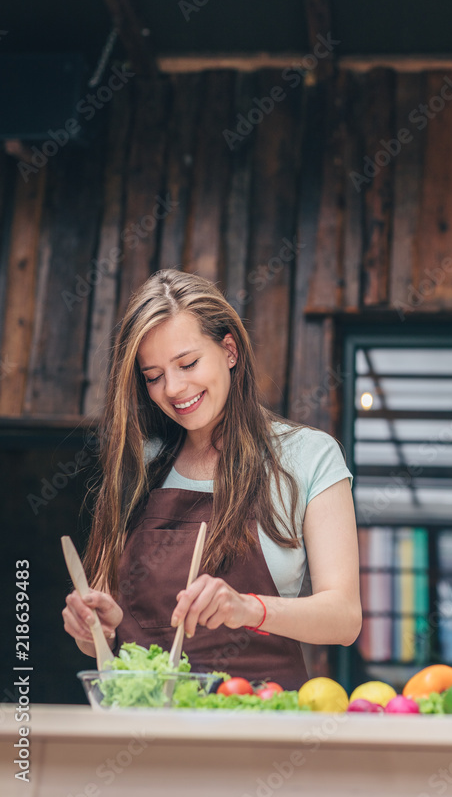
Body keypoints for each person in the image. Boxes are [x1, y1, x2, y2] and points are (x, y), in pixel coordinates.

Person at [62, 269, 361, 689]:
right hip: (146, 731)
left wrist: (246, 608)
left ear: (230, 350)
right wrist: (95, 630)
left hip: (259, 725)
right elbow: (101, 640)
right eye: (153, 376)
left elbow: (344, 618)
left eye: (188, 363)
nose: (174, 388)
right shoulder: (140, 463)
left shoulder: (308, 456)